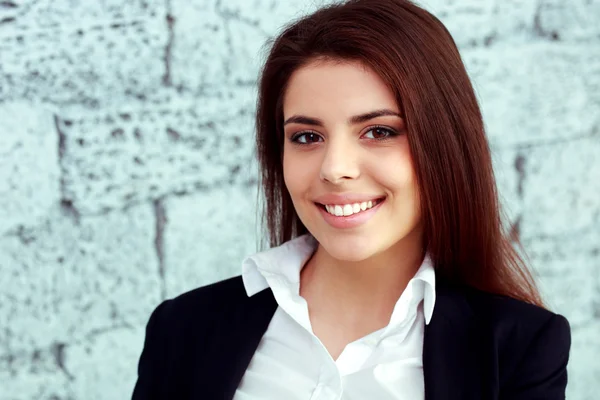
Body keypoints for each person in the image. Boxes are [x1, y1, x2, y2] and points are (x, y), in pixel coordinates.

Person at [132, 0, 571, 399]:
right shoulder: (183, 329)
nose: (334, 168)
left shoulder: (520, 350)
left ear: (443, 144)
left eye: (379, 131)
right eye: (307, 136)